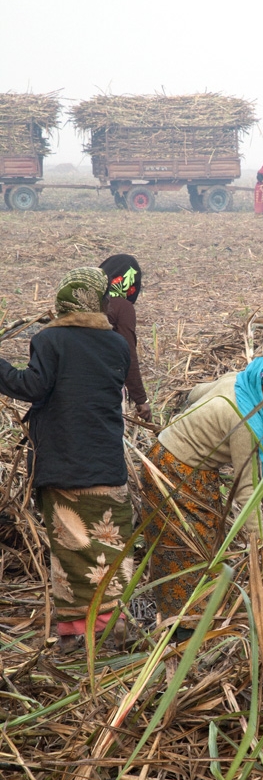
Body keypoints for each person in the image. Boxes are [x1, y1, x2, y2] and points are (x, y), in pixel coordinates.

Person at [0, 268, 133, 653]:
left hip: (64, 461)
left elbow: (33, 387)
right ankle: (115, 626)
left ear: (64, 303)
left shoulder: (50, 339)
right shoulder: (118, 344)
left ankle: (77, 632)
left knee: (71, 548)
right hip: (107, 460)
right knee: (112, 545)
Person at [140, 351, 263, 625]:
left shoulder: (236, 381)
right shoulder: (243, 420)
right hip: (173, 471)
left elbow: (194, 393)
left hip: (181, 461)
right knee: (186, 549)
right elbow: (247, 488)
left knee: (204, 540)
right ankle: (184, 625)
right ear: (259, 381)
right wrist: (257, 541)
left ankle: (192, 614)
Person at [99, 253, 152, 421]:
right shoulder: (122, 307)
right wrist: (141, 400)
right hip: (102, 388)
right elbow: (127, 354)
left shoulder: (82, 301)